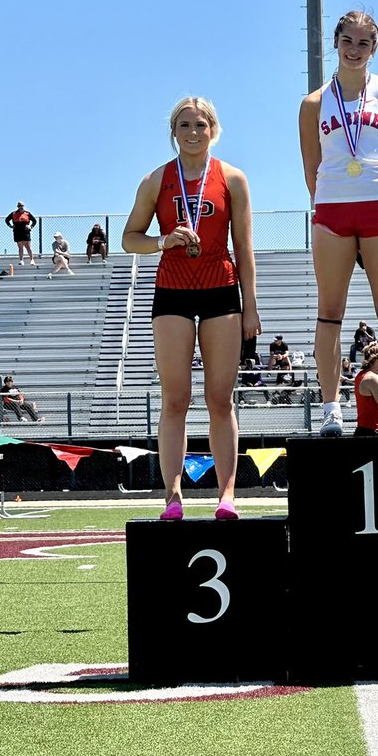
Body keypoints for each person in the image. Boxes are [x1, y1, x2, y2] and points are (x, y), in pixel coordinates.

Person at [122, 95, 261, 522]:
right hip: (172, 291)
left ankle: (227, 496)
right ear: (173, 132)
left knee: (220, 399)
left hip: (222, 289)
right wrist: (163, 241)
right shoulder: (155, 180)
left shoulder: (233, 178)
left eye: (201, 124)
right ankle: (172, 496)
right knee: (175, 398)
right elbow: (130, 238)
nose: (193, 132)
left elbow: (244, 247)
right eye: (184, 125)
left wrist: (250, 306)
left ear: (213, 129)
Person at [299, 10, 378, 436]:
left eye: (364, 43)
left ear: (375, 48)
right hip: (333, 210)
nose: (354, 50)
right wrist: (325, 206)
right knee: (329, 312)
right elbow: (311, 166)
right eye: (348, 40)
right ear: (336, 41)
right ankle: (330, 409)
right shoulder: (313, 103)